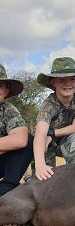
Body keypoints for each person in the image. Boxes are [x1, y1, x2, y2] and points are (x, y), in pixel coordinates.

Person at [33, 57, 75, 181]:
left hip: (66, 139)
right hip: (46, 143)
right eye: (61, 79)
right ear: (53, 82)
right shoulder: (48, 104)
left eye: (72, 79)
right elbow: (39, 135)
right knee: (43, 177)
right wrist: (40, 165)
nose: (67, 83)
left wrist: (52, 134)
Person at [0, 63, 34, 196]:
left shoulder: (8, 110)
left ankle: (8, 186)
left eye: (0, 86)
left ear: (6, 91)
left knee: (30, 140)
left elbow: (20, 139)